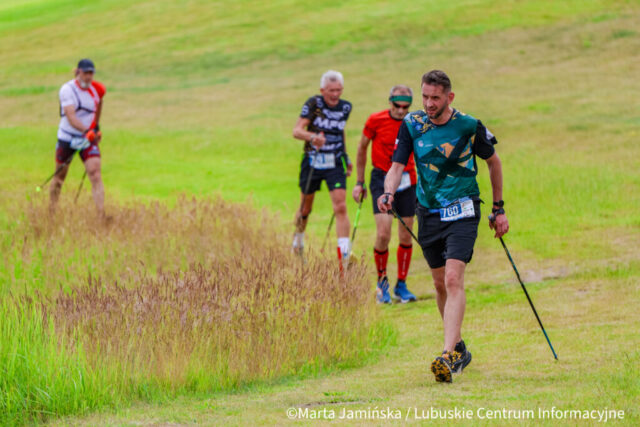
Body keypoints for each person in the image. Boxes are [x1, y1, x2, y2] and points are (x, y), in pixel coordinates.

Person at [378, 70, 509, 383]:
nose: (428, 103)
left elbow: (494, 162)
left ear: (449, 97)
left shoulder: (468, 125)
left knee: (452, 278)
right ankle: (459, 347)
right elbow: (396, 166)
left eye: (435, 98)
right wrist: (388, 192)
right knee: (439, 284)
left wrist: (498, 208)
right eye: (425, 96)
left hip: (463, 209)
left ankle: (448, 354)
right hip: (429, 213)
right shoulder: (412, 124)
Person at [353, 85, 417, 304]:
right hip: (381, 178)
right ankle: (382, 283)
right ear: (390, 102)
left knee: (406, 235)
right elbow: (362, 148)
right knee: (383, 234)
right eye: (397, 106)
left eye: (405, 107)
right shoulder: (376, 120)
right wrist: (359, 182)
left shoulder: (414, 122)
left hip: (408, 180)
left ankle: (401, 285)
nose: (401, 110)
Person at [292, 70, 353, 267]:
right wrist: (312, 137)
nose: (335, 95)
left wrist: (345, 157)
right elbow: (297, 131)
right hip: (313, 160)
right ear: (322, 90)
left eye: (338, 90)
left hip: (334, 161)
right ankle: (298, 242)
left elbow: (340, 131)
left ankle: (344, 254)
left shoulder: (345, 107)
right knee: (305, 207)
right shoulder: (314, 104)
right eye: (331, 91)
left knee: (340, 206)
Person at [50, 58, 106, 216]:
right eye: (86, 73)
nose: (88, 77)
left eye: (91, 73)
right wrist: (87, 130)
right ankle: (51, 212)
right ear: (78, 72)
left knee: (95, 174)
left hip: (87, 139)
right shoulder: (67, 90)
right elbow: (71, 117)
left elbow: (99, 104)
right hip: (67, 138)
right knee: (59, 178)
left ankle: (101, 215)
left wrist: (95, 127)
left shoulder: (97, 89)